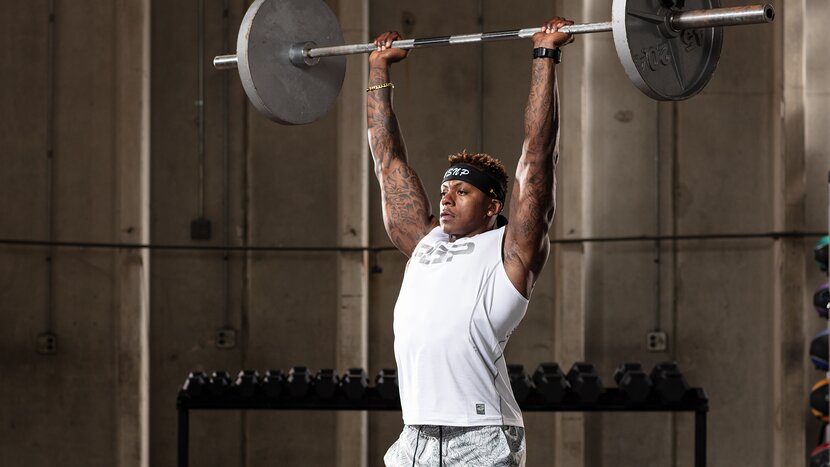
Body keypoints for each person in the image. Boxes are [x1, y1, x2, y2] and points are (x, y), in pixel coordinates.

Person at [367, 16, 574, 467]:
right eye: (445, 191)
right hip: (415, 437)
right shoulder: (424, 242)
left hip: (482, 436)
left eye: (463, 192)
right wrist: (378, 69)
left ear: (493, 206)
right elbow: (388, 161)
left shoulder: (510, 253)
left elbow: (538, 156)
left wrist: (545, 55)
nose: (447, 199)